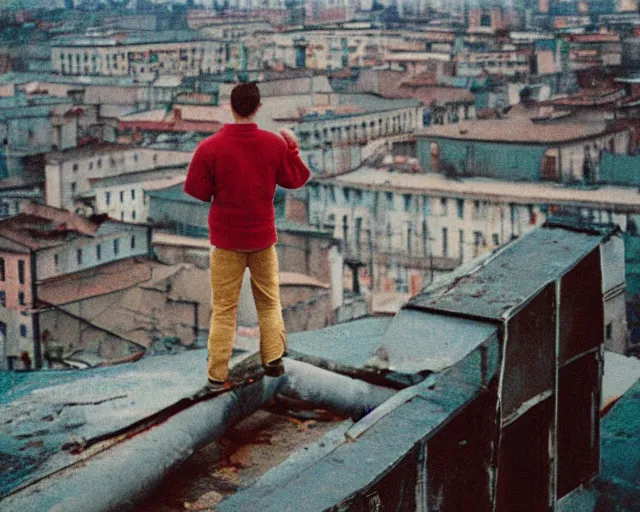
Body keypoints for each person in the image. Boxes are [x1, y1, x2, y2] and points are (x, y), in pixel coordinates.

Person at [184, 82, 310, 390]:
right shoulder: (273, 144)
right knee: (268, 302)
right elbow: (297, 179)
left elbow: (197, 191)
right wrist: (292, 147)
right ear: (257, 107)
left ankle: (216, 375)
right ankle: (274, 361)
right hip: (262, 239)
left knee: (224, 310)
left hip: (226, 242)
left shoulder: (210, 147)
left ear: (230, 106)